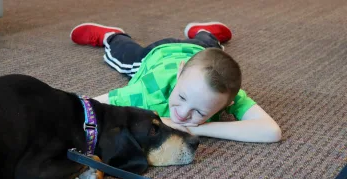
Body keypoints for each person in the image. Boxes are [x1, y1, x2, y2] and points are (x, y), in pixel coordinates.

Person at [70, 22, 282, 143]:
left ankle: (205, 32)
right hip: (157, 55)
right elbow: (88, 108)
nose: (182, 114)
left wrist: (199, 129)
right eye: (181, 97)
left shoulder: (228, 94)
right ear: (180, 73)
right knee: (125, 56)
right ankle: (111, 35)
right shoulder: (149, 90)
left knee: (207, 45)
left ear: (229, 103)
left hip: (200, 53)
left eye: (199, 112)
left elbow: (271, 131)